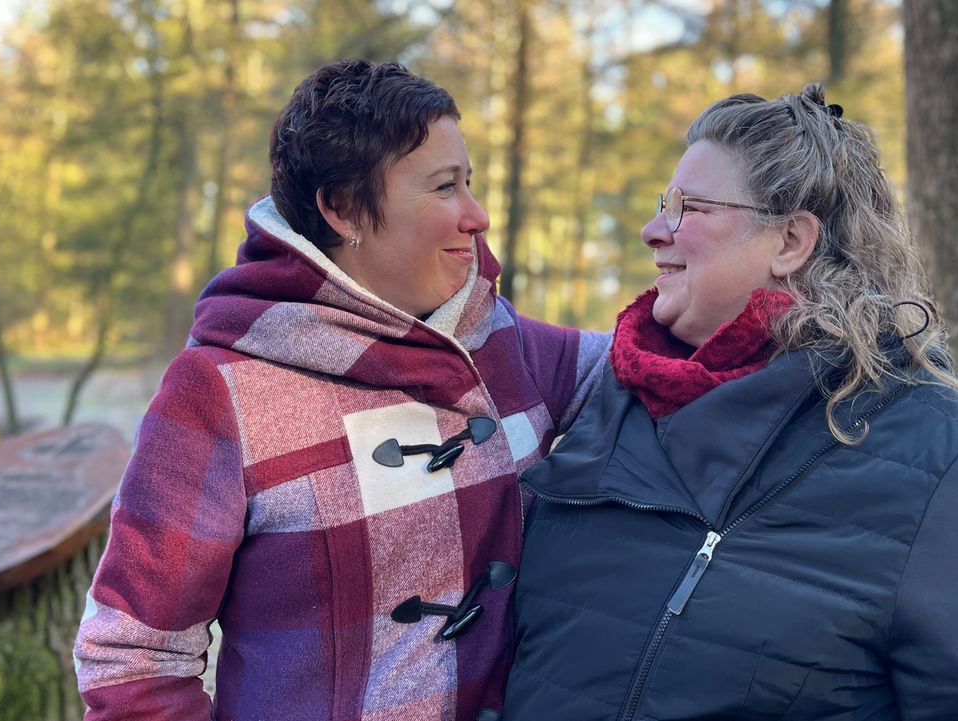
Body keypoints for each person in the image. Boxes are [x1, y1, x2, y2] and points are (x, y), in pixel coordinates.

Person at [504, 85, 958, 720]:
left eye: (687, 208)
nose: (652, 231)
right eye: (661, 205)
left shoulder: (954, 456)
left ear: (790, 242)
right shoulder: (606, 398)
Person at [73, 59, 607, 721]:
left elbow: (654, 364)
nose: (477, 215)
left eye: (469, 183)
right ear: (342, 207)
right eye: (444, 187)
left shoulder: (505, 342)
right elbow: (134, 659)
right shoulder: (219, 392)